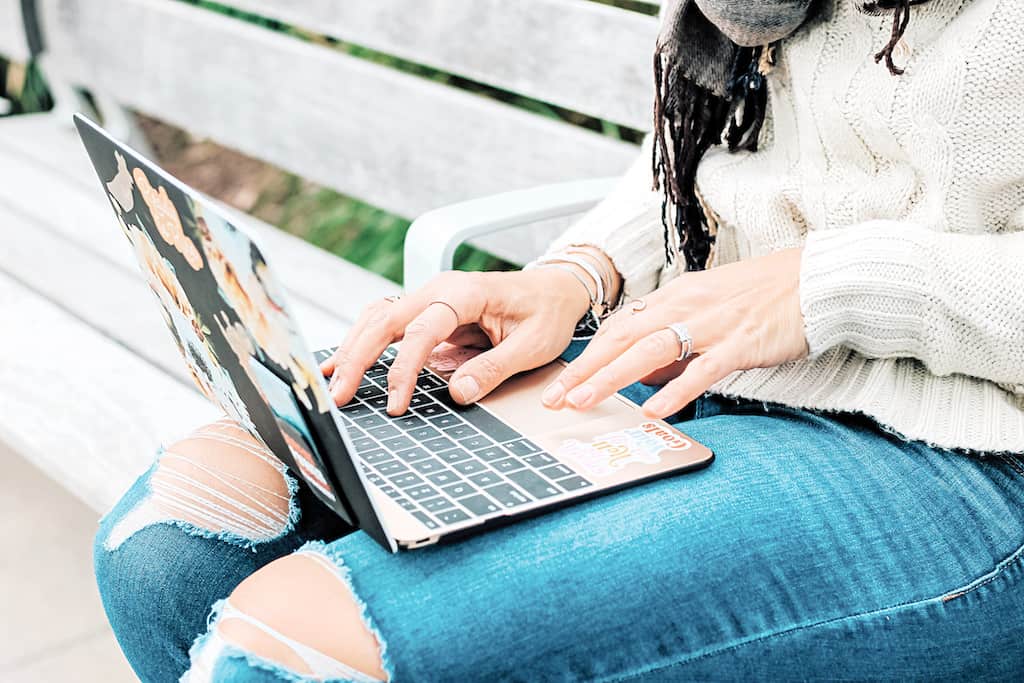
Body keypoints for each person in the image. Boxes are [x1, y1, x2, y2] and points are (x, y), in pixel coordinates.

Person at [95, 0, 1024, 680]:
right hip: (702, 365)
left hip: (965, 444)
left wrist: (826, 283)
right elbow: (723, 150)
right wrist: (574, 276)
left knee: (287, 656)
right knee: (169, 553)